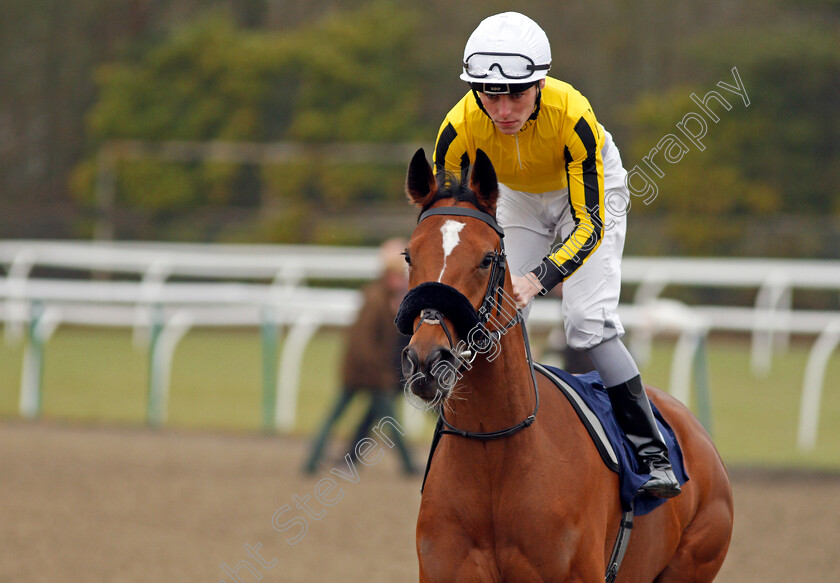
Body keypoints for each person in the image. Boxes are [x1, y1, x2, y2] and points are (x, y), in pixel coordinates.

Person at [432, 12, 679, 497]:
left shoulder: (573, 116)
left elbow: (587, 226)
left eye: (516, 94)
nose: (502, 110)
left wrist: (537, 279)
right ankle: (480, 427)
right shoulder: (456, 130)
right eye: (489, 94)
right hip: (518, 195)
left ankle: (652, 453)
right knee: (494, 309)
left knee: (587, 322)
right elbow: (449, 225)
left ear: (540, 83)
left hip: (591, 195)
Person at [303, 238, 419, 476]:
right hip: (367, 374)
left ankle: (315, 461)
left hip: (362, 373)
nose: (400, 281)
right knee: (388, 422)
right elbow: (364, 344)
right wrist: (382, 373)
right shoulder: (375, 299)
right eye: (397, 276)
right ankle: (407, 466)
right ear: (389, 275)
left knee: (341, 417)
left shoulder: (382, 297)